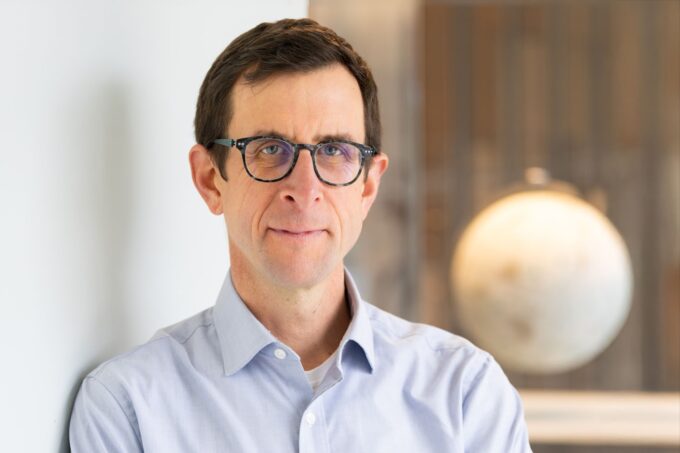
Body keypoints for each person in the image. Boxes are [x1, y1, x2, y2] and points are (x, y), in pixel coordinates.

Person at [69, 18, 532, 452]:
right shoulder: (128, 409)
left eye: (334, 150)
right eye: (270, 149)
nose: (305, 189)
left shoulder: (466, 394)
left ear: (368, 185)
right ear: (211, 180)